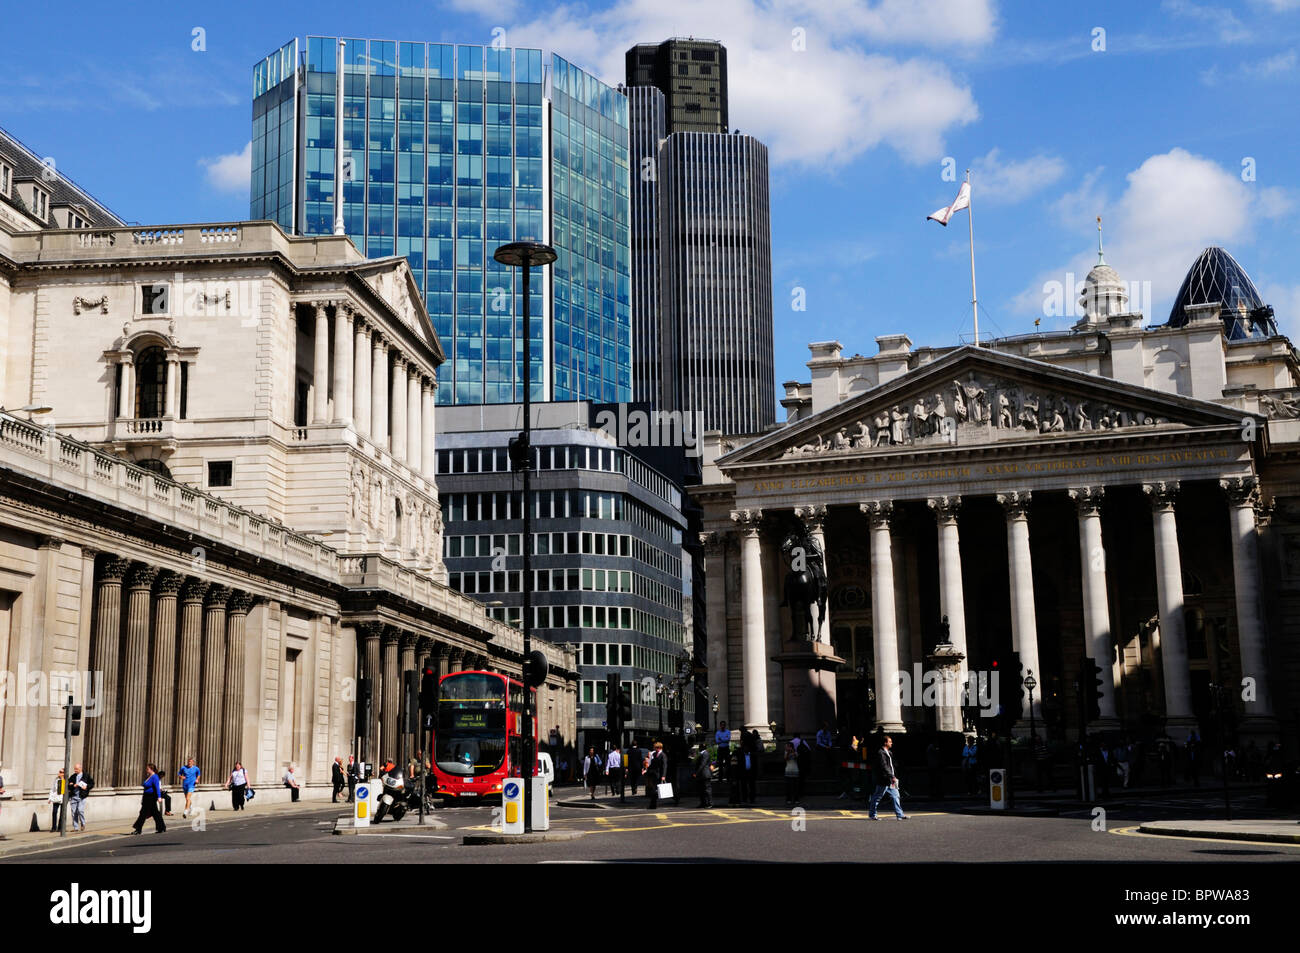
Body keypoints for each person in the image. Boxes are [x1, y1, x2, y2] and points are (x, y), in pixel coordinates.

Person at [868, 736, 908, 820]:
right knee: (877, 797)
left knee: (896, 796)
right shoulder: (881, 753)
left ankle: (900, 814)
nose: (891, 743)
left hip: (891, 780)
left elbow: (891, 765)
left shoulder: (889, 752)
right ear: (885, 743)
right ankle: (872, 814)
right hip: (884, 779)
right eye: (890, 742)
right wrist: (891, 776)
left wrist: (894, 775)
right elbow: (884, 766)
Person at [130, 764, 167, 834]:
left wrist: (159, 797)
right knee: (155, 813)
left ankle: (138, 829)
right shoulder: (149, 776)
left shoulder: (155, 777)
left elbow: (157, 788)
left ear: (151, 769)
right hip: (146, 796)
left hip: (151, 797)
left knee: (143, 813)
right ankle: (161, 827)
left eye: (147, 769)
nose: (146, 770)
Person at [68, 763, 94, 832]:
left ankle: (83, 823)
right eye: (74, 769)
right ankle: (76, 827)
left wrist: (87, 787)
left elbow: (92, 784)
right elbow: (68, 785)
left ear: (80, 768)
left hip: (82, 796)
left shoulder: (86, 775)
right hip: (74, 796)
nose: (75, 770)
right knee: (74, 812)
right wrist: (73, 785)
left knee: (80, 810)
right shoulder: (73, 776)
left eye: (76, 769)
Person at [645, 741, 667, 809]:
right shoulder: (654, 754)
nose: (654, 749)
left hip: (659, 775)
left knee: (654, 791)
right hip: (653, 774)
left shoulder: (663, 755)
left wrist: (663, 775)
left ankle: (653, 805)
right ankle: (653, 805)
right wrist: (647, 770)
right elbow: (652, 764)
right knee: (653, 790)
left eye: (655, 748)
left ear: (659, 748)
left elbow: (664, 766)